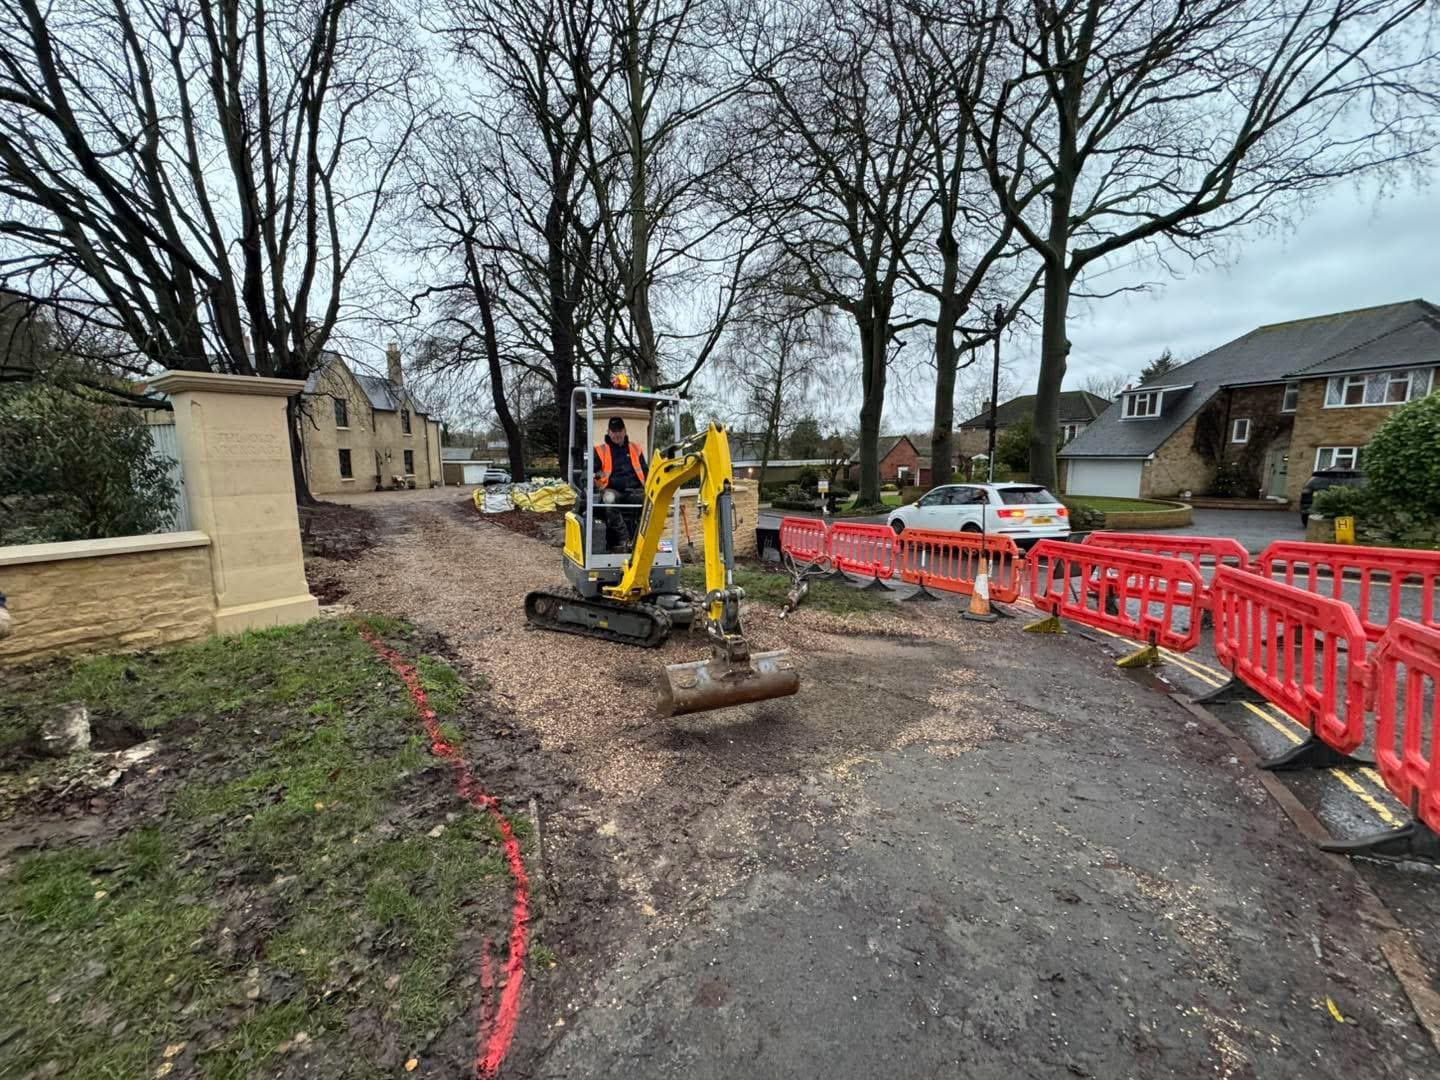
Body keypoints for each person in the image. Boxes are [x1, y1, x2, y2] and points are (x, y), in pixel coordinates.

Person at [593, 416, 648, 551]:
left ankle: (642, 539)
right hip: (612, 490)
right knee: (609, 499)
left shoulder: (636, 449)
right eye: (614, 431)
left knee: (650, 502)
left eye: (620, 431)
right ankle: (624, 539)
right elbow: (590, 472)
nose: (617, 434)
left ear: (624, 431)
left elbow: (646, 471)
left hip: (634, 490)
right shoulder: (600, 451)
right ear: (609, 432)